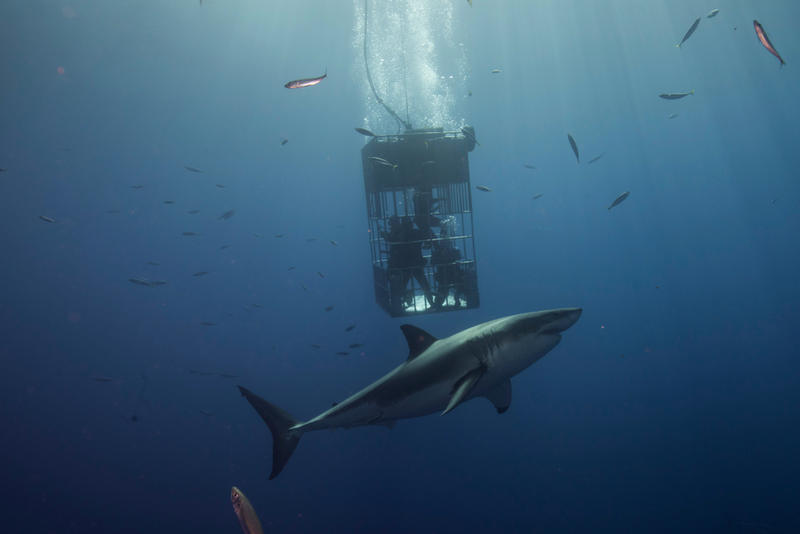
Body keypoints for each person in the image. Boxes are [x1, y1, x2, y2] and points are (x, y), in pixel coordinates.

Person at [383, 216, 433, 312]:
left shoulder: (402, 234)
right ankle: (431, 303)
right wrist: (429, 242)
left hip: (405, 265)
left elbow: (391, 239)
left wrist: (386, 236)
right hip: (415, 264)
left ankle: (406, 298)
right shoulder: (416, 232)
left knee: (403, 286)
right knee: (424, 285)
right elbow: (427, 235)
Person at [431, 216, 463, 309]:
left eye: (447, 240)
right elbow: (433, 262)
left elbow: (433, 263)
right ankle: (441, 301)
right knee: (442, 294)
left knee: (456, 288)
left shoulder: (454, 250)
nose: (445, 242)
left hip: (450, 276)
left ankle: (456, 298)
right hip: (445, 277)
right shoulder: (440, 251)